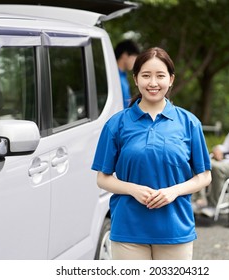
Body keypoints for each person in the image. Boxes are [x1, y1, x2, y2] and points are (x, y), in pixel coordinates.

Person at [91, 47, 211, 260]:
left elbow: (204, 176)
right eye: (146, 75)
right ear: (136, 79)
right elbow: (103, 178)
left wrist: (173, 191)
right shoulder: (116, 124)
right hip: (128, 229)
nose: (153, 83)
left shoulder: (189, 123)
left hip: (175, 228)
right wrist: (133, 190)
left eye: (160, 76)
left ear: (171, 79)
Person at [114, 40, 140, 108]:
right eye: (134, 58)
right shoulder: (113, 77)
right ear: (125, 55)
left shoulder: (123, 76)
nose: (135, 62)